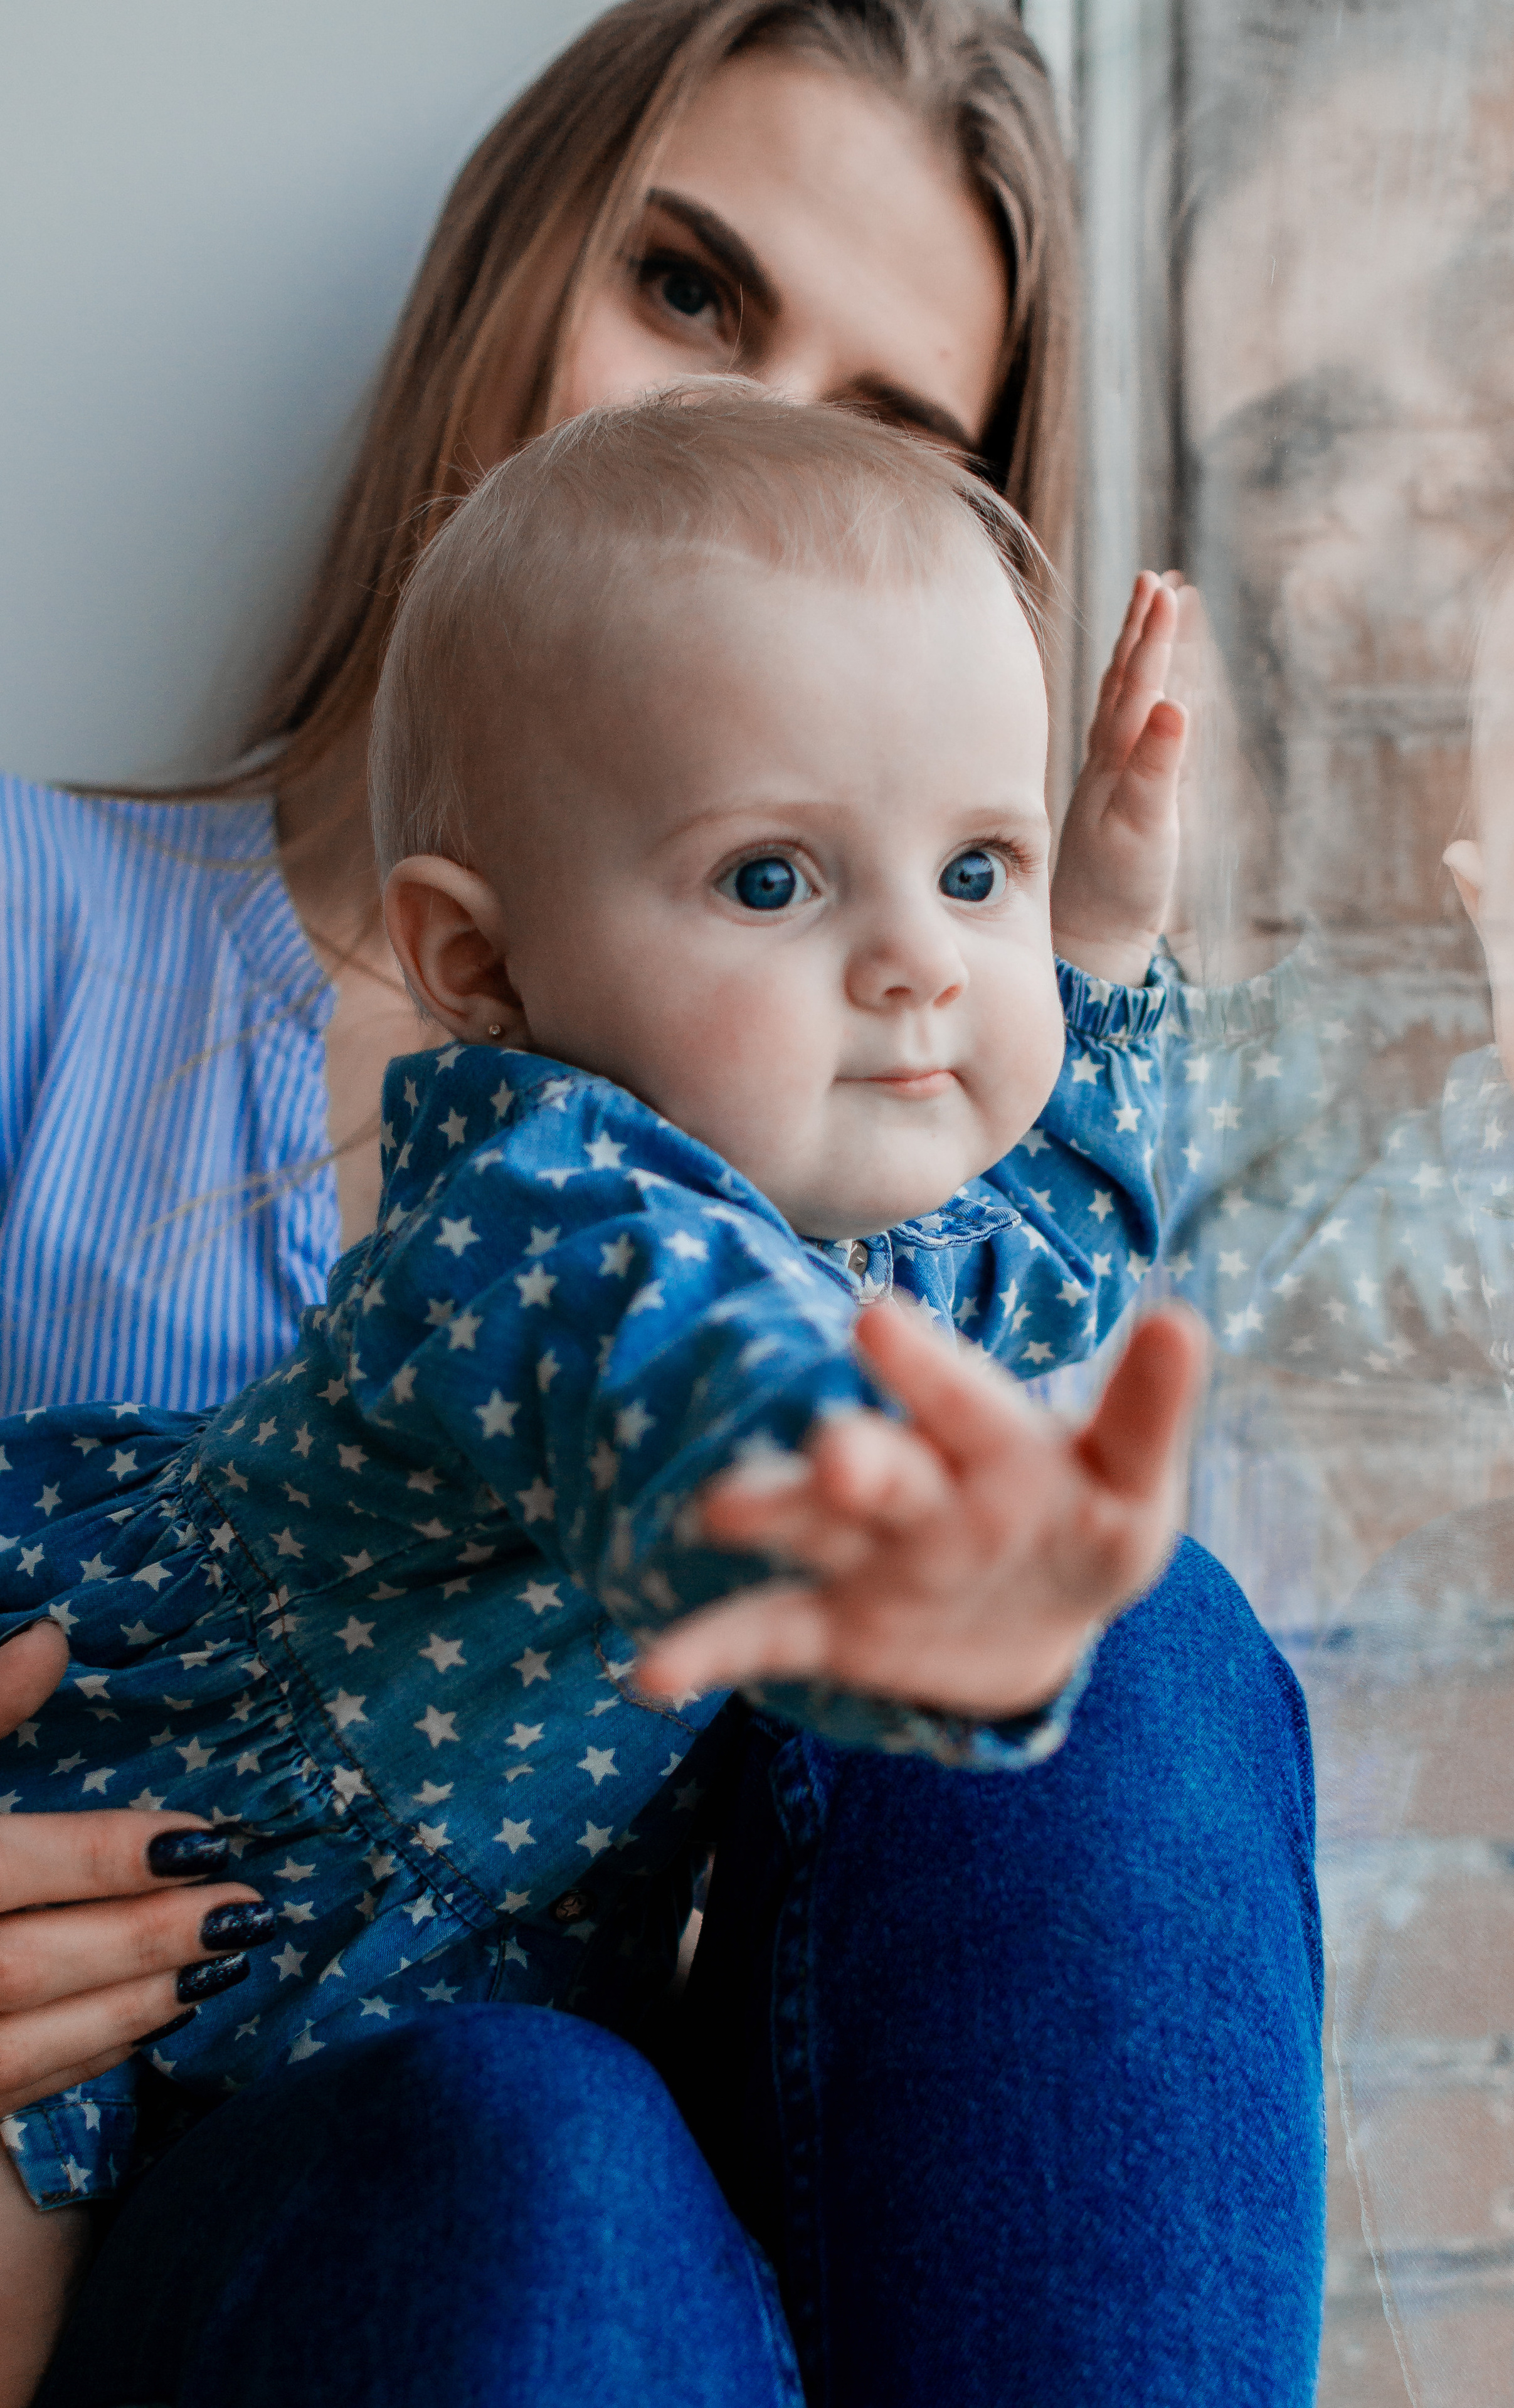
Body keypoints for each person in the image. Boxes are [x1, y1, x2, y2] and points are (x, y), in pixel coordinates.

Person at [0, 8, 1327, 2400]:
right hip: (238, 2204)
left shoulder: (885, 1091)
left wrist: (1088, 959)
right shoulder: (79, 953)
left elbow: (1013, 1286)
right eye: (693, 291)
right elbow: (661, 1363)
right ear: (511, 271)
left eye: (893, 431)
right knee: (525, 2149)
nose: (729, 434)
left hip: (719, 2227)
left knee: (1138, 1655)